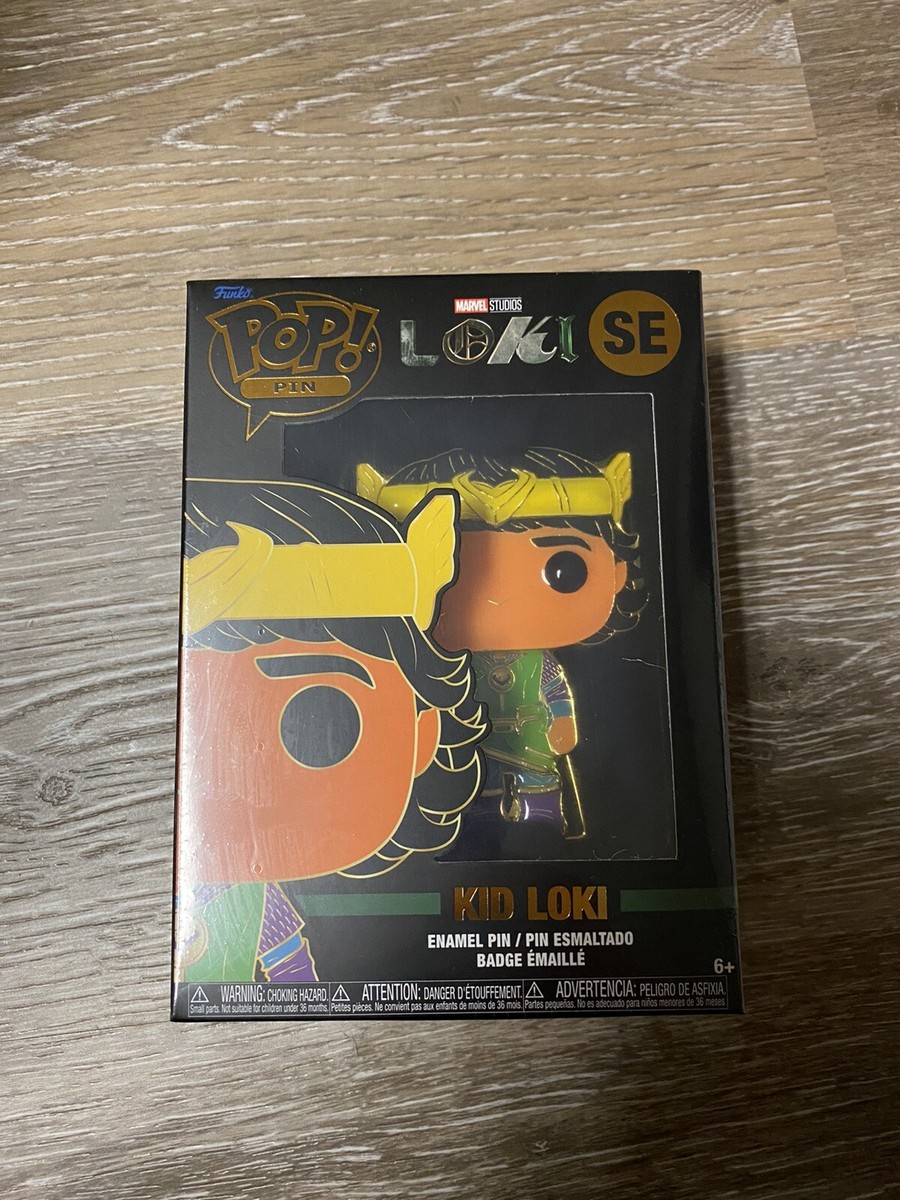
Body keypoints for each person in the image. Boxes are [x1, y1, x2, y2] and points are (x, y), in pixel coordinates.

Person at [174, 479, 485, 983]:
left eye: (323, 714)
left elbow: (294, 974)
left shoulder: (260, 903)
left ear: (424, 735)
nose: (244, 784)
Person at [357, 448, 641, 853]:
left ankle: (545, 831)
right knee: (472, 812)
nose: (497, 598)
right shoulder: (447, 663)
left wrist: (563, 720)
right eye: (455, 572)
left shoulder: (539, 663)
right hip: (469, 758)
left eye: (564, 570)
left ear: (617, 574)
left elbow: (555, 690)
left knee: (541, 816)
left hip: (534, 754)